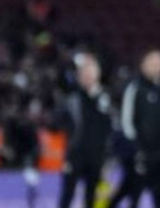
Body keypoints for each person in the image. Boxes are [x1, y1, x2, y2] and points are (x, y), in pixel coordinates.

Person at [119, 50, 160, 208]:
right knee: (134, 195)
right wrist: (136, 147)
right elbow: (126, 121)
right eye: (153, 63)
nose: (157, 67)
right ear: (143, 65)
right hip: (143, 154)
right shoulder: (135, 88)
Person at [59, 55, 114, 208]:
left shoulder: (106, 98)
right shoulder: (72, 98)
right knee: (67, 194)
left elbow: (110, 127)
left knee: (92, 196)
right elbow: (61, 122)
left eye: (91, 72)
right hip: (76, 154)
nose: (88, 76)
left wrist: (107, 155)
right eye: (84, 73)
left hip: (96, 156)